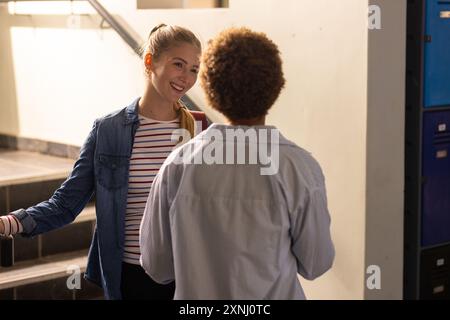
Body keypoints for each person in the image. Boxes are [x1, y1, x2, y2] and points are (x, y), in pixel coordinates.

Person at [0, 24, 207, 300]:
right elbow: (66, 203)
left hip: (188, 277)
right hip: (130, 277)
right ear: (149, 61)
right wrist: (11, 223)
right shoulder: (109, 130)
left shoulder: (200, 129)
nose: (186, 77)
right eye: (178, 64)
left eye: (194, 69)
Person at [139, 27, 335, 299]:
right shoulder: (299, 168)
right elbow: (316, 264)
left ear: (210, 89)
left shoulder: (178, 164)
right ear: (276, 87)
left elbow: (157, 266)